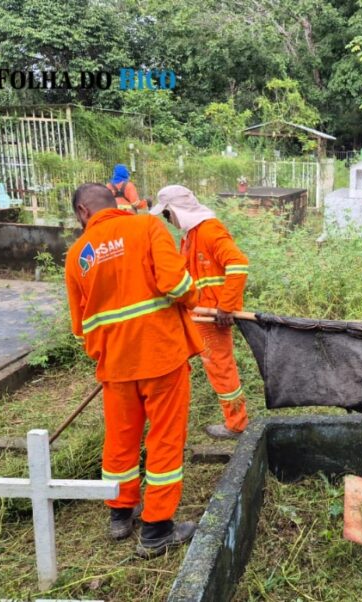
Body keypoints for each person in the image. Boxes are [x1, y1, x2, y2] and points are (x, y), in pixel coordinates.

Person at [64, 183, 203, 558]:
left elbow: (81, 327)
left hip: (116, 365)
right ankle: (157, 530)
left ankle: (120, 515)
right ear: (116, 203)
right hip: (161, 356)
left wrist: (110, 351)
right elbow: (177, 283)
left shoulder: (77, 254)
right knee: (164, 439)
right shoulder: (146, 228)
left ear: (82, 212)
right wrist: (194, 297)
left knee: (121, 439)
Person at [149, 185, 250, 439]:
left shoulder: (209, 231)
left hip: (211, 316)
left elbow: (238, 264)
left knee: (220, 368)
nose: (167, 220)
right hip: (198, 313)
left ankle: (237, 425)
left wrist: (226, 306)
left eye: (166, 214)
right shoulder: (192, 235)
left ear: (175, 210)